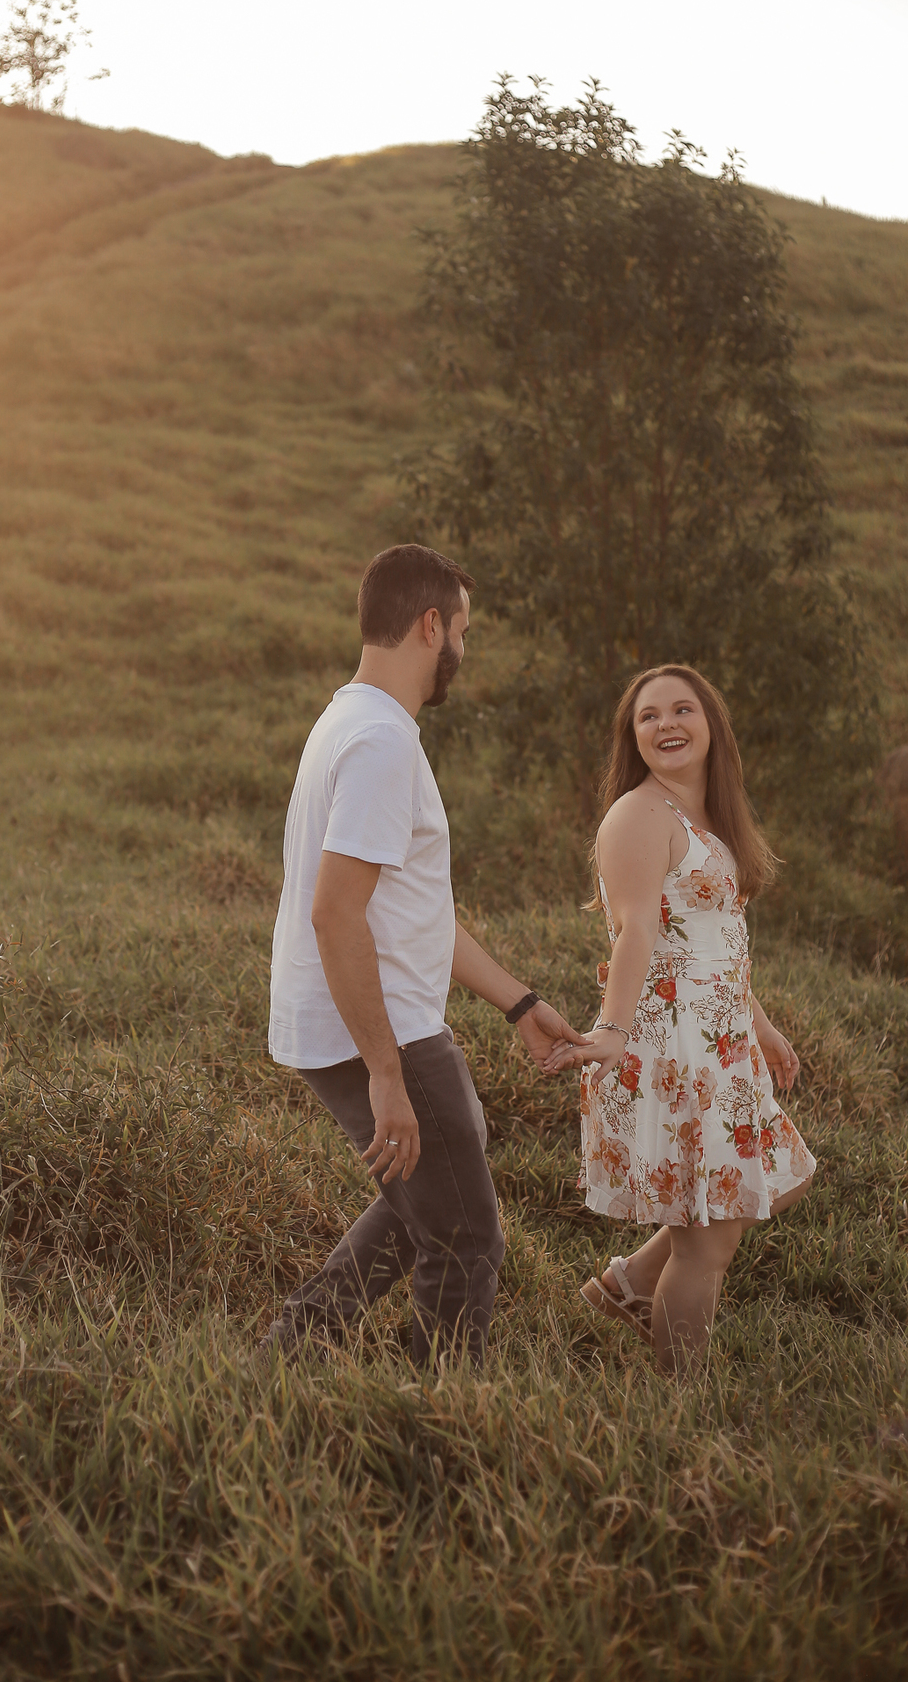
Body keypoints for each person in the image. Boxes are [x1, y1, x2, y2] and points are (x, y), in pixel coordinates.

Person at [263, 544, 587, 1369]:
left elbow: (412, 912)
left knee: (432, 1197)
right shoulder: (379, 743)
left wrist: (518, 1003)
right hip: (379, 1029)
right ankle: (436, 1423)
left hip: (362, 1016)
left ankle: (288, 1356)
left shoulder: (355, 720)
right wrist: (384, 1072)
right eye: (463, 632)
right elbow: (336, 915)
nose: (462, 654)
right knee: (468, 1237)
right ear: (430, 626)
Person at [544, 664, 816, 1376]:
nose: (666, 724)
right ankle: (683, 1409)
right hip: (675, 1047)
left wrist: (759, 1024)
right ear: (633, 739)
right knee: (707, 1244)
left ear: (710, 725)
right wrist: (610, 1030)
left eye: (682, 709)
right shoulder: (639, 814)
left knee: (780, 1179)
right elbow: (636, 932)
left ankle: (627, 1285)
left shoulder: (707, 821)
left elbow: (708, 938)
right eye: (648, 717)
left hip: (719, 1038)